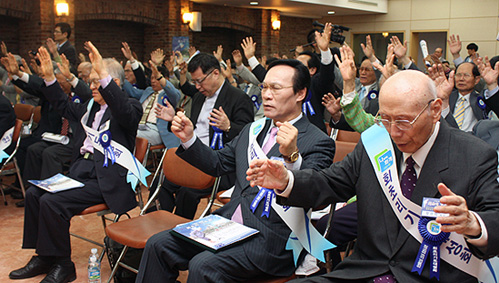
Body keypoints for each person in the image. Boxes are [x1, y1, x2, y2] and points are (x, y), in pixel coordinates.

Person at [248, 70, 499, 282]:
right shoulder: (377, 142)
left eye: (403, 121)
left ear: (435, 110)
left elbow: (496, 219)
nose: (393, 132)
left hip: (432, 276)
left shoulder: (474, 155)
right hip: (365, 270)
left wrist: (473, 224)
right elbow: (330, 182)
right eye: (385, 119)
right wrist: (286, 181)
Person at [135, 59, 335, 282]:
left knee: (202, 266)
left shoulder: (318, 141)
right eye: (264, 87)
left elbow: (315, 195)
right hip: (229, 224)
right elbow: (218, 163)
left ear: (300, 94)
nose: (267, 95)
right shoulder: (253, 130)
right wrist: (189, 139)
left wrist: (291, 156)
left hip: (273, 241)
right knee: (158, 244)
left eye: (276, 88)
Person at [9, 43, 142, 283]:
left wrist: (104, 76)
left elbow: (122, 110)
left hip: (106, 180)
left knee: (52, 202)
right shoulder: (88, 111)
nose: (91, 86)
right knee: (34, 194)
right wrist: (49, 78)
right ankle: (45, 256)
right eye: (90, 81)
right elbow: (61, 103)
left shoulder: (130, 108)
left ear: (113, 83)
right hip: (80, 174)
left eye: (96, 81)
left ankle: (63, 264)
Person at [159, 52, 254, 219]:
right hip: (195, 156)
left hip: (219, 164)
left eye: (199, 81)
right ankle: (159, 224)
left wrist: (228, 126)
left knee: (186, 190)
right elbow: (192, 128)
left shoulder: (239, 98)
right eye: (193, 81)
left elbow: (249, 137)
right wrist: (174, 117)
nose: (196, 86)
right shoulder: (198, 98)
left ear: (215, 73)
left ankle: (178, 232)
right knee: (164, 183)